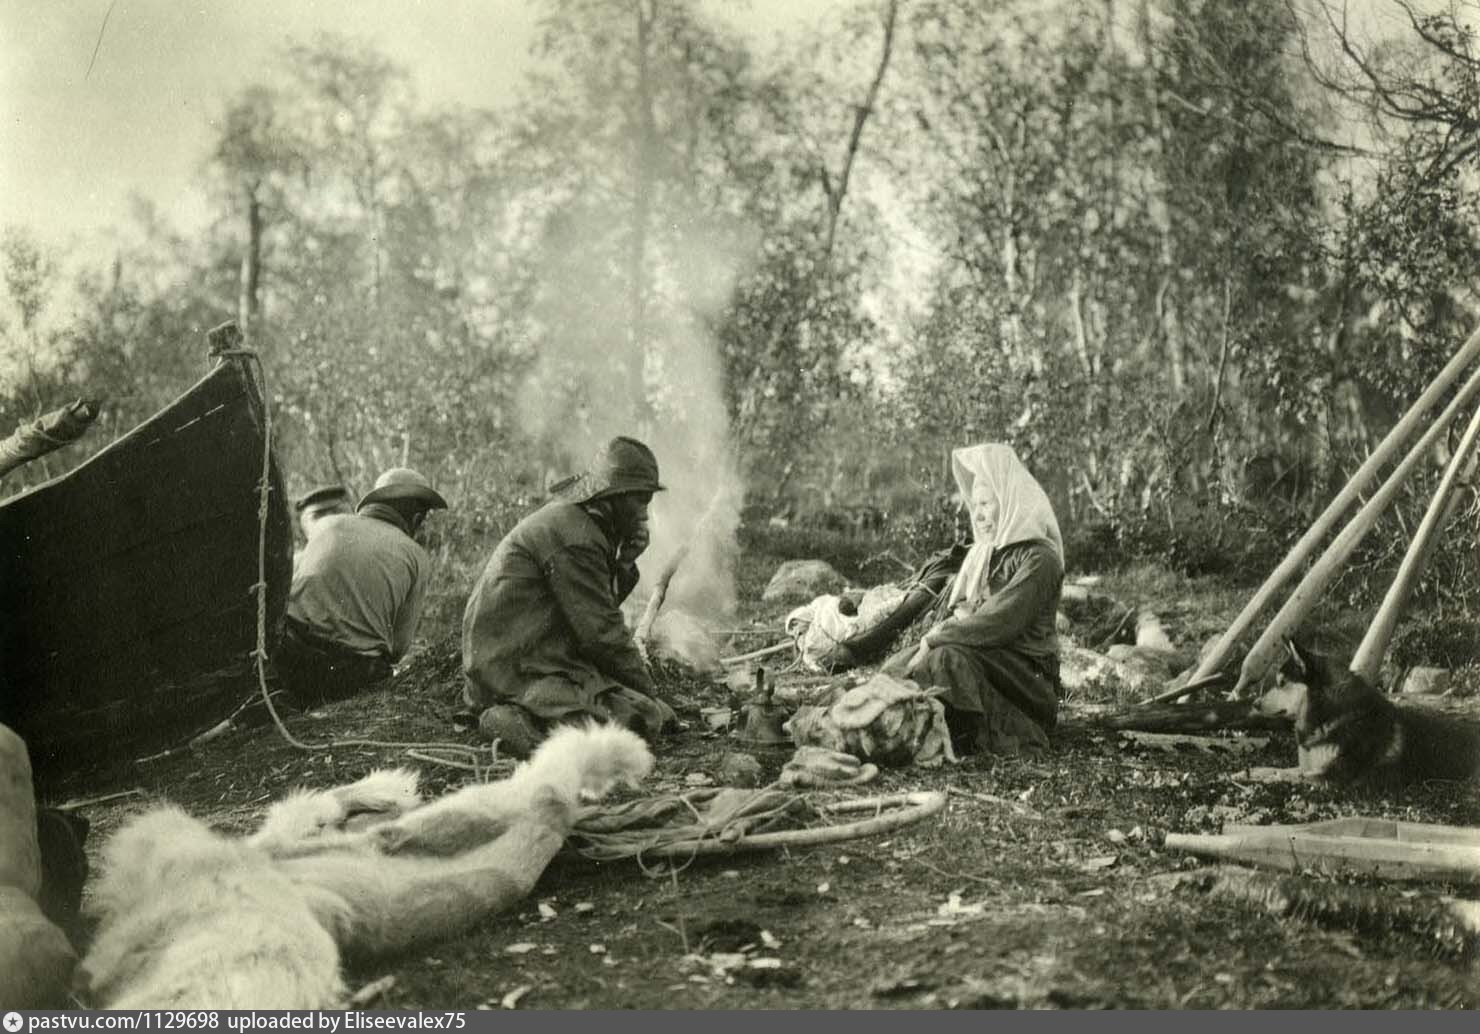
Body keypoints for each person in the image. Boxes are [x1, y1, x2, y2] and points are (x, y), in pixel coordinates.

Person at [462, 436, 677, 758]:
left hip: (537, 654)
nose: (645, 512)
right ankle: (509, 719)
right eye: (640, 499)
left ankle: (531, 713)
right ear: (613, 497)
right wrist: (649, 691)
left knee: (650, 714)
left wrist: (625, 561)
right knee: (640, 719)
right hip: (513, 667)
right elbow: (600, 632)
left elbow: (592, 608)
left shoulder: (581, 525)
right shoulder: (575, 537)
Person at [882, 443, 1064, 756]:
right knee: (897, 666)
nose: (977, 515)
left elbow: (999, 621)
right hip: (989, 659)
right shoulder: (986, 553)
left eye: (986, 504)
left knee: (945, 658)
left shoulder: (1040, 558)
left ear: (1010, 503)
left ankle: (976, 733)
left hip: (1026, 681)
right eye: (974, 504)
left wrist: (935, 638)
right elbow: (966, 612)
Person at [276, 468, 448, 707]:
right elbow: (398, 648)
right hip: (348, 675)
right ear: (417, 519)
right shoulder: (416, 557)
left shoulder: (326, 524)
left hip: (286, 656)